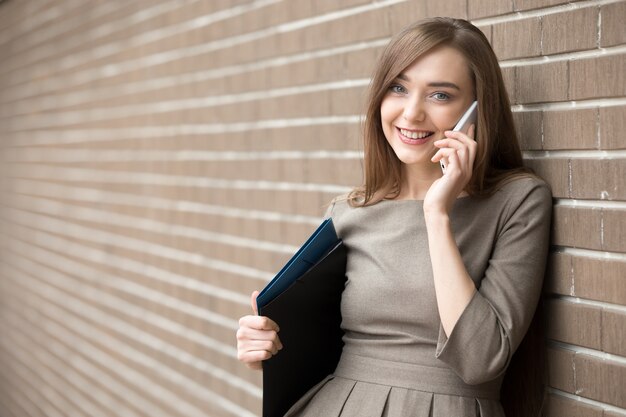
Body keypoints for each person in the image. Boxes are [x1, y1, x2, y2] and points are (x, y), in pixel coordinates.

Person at [236, 17, 552, 417]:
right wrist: (263, 346)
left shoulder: (518, 201)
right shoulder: (350, 211)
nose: (412, 112)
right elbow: (314, 346)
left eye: (440, 95)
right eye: (398, 88)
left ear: (475, 111)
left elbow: (480, 359)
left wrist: (437, 214)